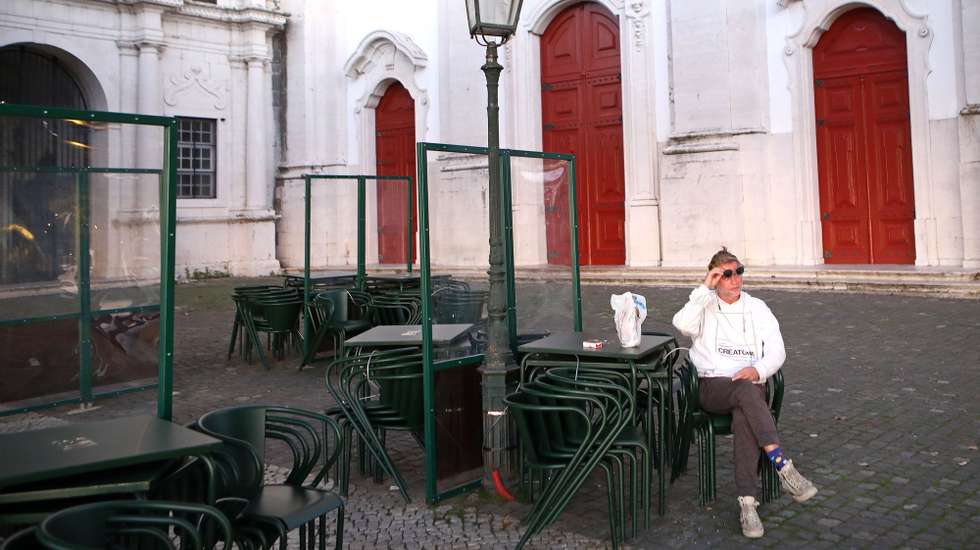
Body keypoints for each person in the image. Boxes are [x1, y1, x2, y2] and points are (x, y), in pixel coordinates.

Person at [672, 247, 817, 538]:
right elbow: (681, 324)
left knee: (745, 411)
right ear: (715, 278)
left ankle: (748, 505)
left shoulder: (757, 307)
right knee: (745, 392)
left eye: (739, 272)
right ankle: (782, 466)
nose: (735, 279)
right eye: (726, 274)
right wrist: (703, 289)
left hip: (750, 389)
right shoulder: (705, 306)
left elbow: (777, 350)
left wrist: (759, 370)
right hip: (713, 387)